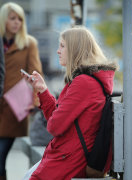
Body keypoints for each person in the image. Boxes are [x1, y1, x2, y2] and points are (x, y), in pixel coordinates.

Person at [21, 26, 117, 180]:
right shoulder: (85, 80)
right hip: (70, 154)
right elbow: (57, 118)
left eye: (62, 46)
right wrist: (43, 90)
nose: (58, 51)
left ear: (75, 49)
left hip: (70, 158)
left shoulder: (83, 83)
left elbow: (54, 126)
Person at [0, 2, 43, 180]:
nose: (17, 22)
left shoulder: (28, 43)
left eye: (20, 19)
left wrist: (34, 102)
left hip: (13, 107)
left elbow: (35, 74)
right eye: (12, 18)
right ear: (3, 20)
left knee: (0, 156)